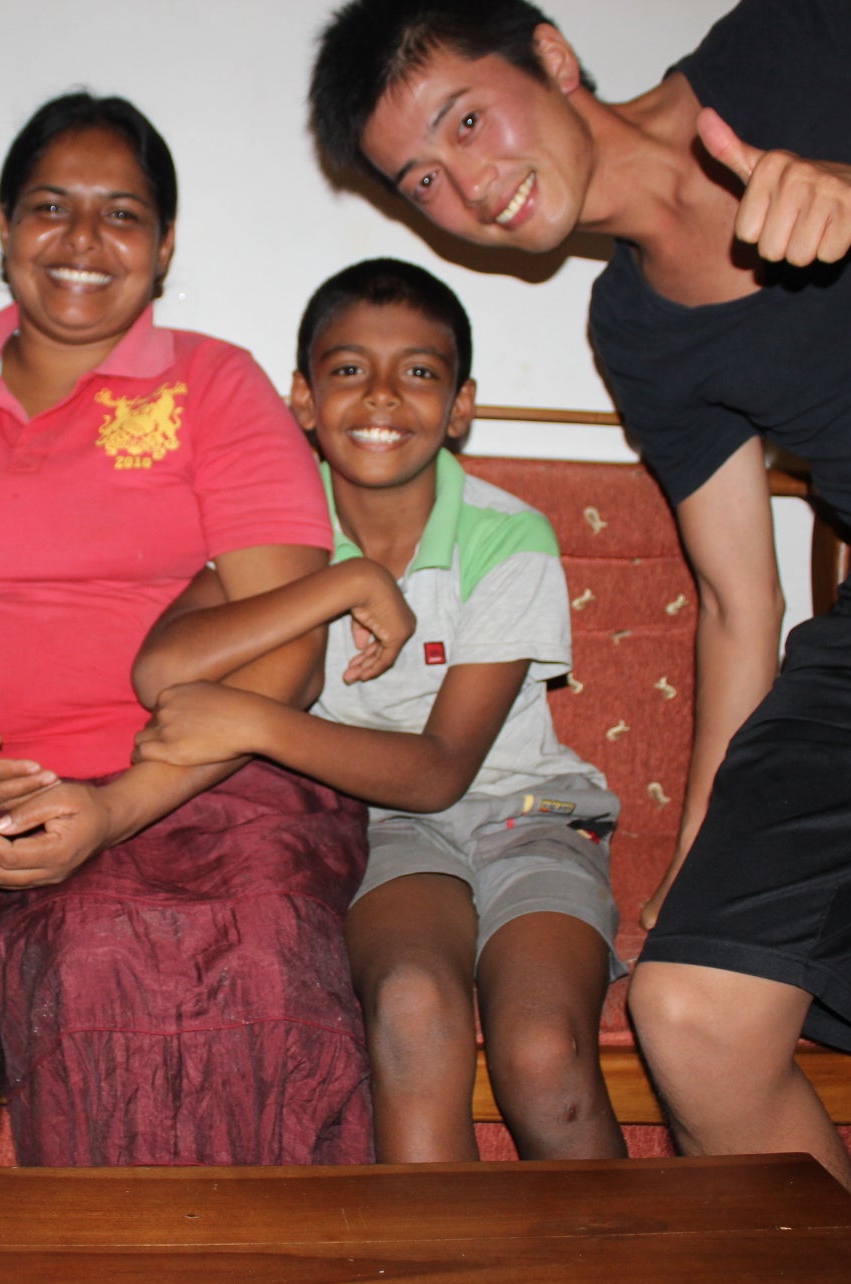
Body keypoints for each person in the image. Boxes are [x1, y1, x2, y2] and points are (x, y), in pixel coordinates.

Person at [310, 0, 851, 1284]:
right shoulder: (636, 324)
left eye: (467, 120)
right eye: (422, 178)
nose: (467, 187)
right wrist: (699, 858)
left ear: (551, 54)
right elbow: (735, 599)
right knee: (691, 1013)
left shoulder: (801, 42)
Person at [0, 92, 373, 1165]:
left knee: (253, 961)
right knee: (88, 961)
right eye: (51, 206)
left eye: (121, 214)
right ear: (6, 225)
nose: (83, 240)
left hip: (222, 788)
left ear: (164, 244)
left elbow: (289, 657)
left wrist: (115, 807)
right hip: (15, 810)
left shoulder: (213, 383)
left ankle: (280, 1252)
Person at [131, 258, 627, 1164]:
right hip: (383, 829)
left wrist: (255, 722)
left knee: (542, 1050)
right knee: (409, 1009)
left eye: (420, 371)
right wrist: (343, 580)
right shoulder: (281, 536)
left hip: (530, 814)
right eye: (350, 368)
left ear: (461, 405)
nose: (383, 395)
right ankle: (440, 1248)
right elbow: (162, 668)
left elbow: (441, 771)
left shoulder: (505, 536)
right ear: (304, 398)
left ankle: (610, 1248)